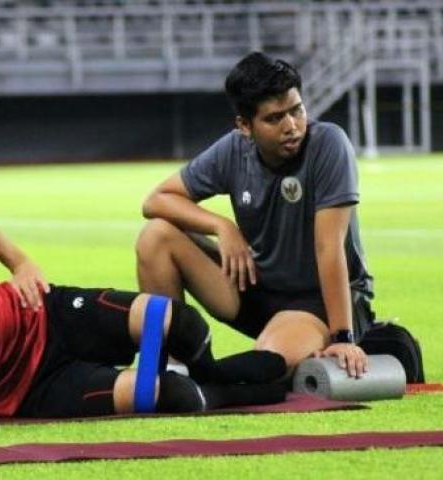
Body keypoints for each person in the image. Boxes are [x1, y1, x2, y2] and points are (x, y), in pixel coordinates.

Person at [0, 189, 286, 427]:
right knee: (172, 397)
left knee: (178, 322)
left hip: (44, 311)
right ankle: (232, 390)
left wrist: (18, 261)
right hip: (26, 391)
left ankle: (216, 376)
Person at [136, 52, 374, 379]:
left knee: (264, 366)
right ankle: (171, 368)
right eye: (275, 118)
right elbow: (156, 201)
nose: (292, 126)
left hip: (318, 302)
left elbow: (328, 247)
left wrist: (343, 338)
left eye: (297, 110)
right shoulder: (234, 150)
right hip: (258, 287)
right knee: (156, 237)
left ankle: (308, 340)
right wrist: (222, 226)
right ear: (245, 126)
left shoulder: (329, 144)